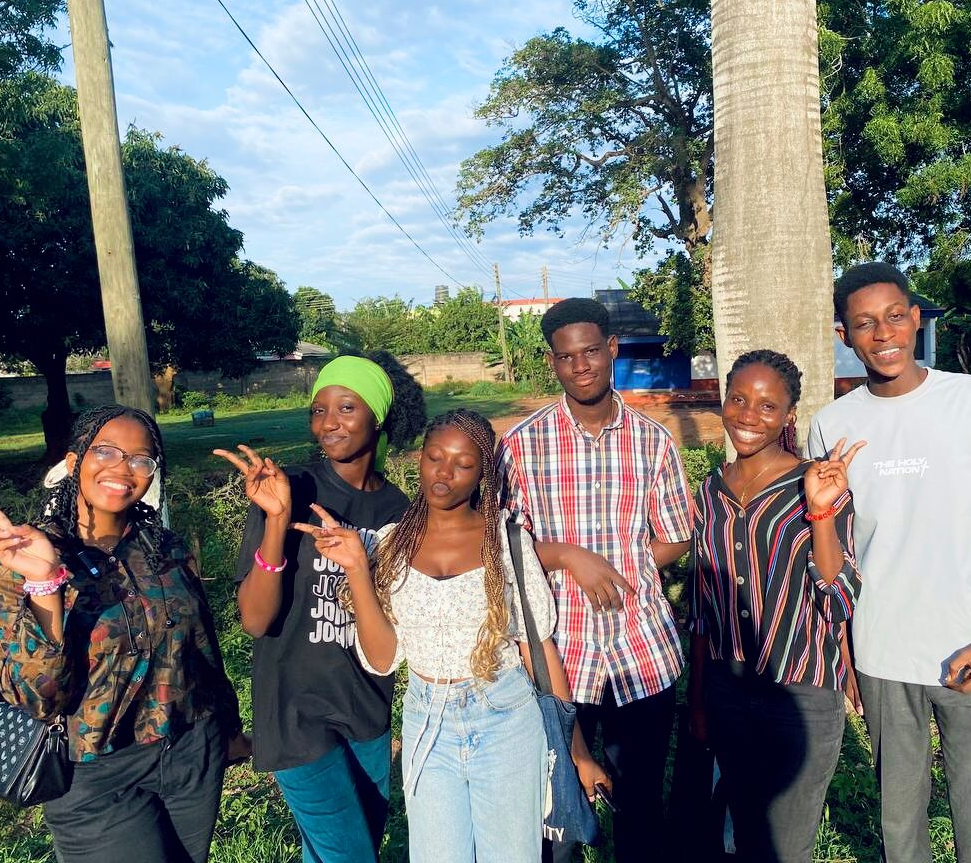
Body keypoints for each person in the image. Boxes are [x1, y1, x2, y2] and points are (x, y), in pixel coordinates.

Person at [307, 408, 610, 863]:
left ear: (482, 474)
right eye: (434, 457)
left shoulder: (508, 541)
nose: (443, 473)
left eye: (462, 464)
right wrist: (356, 571)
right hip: (429, 722)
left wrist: (577, 751)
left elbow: (538, 648)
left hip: (505, 717)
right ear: (420, 459)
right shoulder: (391, 544)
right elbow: (385, 657)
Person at [808, 262, 971, 863]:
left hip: (970, 646)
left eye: (895, 317)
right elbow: (836, 550)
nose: (885, 335)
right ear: (844, 335)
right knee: (899, 823)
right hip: (882, 652)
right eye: (865, 324)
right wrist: (849, 651)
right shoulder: (831, 426)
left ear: (915, 319)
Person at [0, 405, 239, 863]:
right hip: (96, 773)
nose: (122, 469)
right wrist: (46, 584)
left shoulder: (164, 548)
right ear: (73, 463)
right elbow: (40, 698)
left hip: (191, 753)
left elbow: (202, 650)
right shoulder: (18, 561)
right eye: (105, 452)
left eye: (140, 459)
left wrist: (228, 729)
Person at [497, 297, 695, 863]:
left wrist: (628, 566)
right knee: (558, 811)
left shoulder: (652, 441)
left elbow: (677, 534)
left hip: (642, 652)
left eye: (590, 352)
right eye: (566, 357)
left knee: (639, 809)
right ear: (552, 363)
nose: (581, 366)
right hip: (562, 656)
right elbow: (505, 551)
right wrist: (567, 557)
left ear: (611, 350)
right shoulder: (522, 445)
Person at [216, 356, 411, 863]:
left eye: (346, 408)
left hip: (367, 707)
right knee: (350, 856)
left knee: (341, 849)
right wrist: (278, 520)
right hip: (295, 712)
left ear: (378, 417)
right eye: (318, 410)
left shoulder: (398, 510)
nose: (328, 423)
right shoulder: (290, 489)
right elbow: (256, 620)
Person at [687, 350, 863, 863]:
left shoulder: (817, 482)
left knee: (786, 846)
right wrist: (698, 699)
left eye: (767, 406)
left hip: (800, 693)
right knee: (743, 833)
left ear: (790, 415)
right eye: (738, 399)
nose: (747, 416)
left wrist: (821, 512)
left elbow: (838, 596)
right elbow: (704, 604)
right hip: (727, 690)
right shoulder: (710, 493)